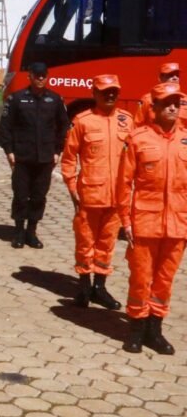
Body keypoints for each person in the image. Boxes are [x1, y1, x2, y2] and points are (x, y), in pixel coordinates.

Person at [117, 81, 186, 355]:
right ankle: (135, 329)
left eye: (176, 103)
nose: (172, 106)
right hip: (144, 223)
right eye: (166, 103)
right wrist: (126, 221)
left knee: (164, 280)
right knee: (140, 279)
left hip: (178, 225)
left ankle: (154, 331)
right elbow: (124, 184)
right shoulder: (138, 139)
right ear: (154, 107)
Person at [60, 75, 131, 310]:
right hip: (89, 196)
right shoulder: (82, 121)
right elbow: (69, 159)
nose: (110, 95)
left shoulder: (127, 121)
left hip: (117, 198)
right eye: (105, 91)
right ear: (95, 93)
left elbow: (135, 158)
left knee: (106, 244)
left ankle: (99, 288)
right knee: (85, 244)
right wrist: (72, 189)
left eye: (114, 91)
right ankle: (83, 287)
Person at [0, 61, 68, 248]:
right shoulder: (17, 99)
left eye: (43, 75)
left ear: (47, 76)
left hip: (45, 157)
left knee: (38, 196)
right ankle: (19, 231)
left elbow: (63, 126)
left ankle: (32, 232)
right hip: (22, 156)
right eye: (37, 75)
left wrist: (58, 150)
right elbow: (5, 127)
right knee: (21, 196)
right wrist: (9, 151)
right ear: (30, 77)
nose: (40, 78)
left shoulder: (55, 100)